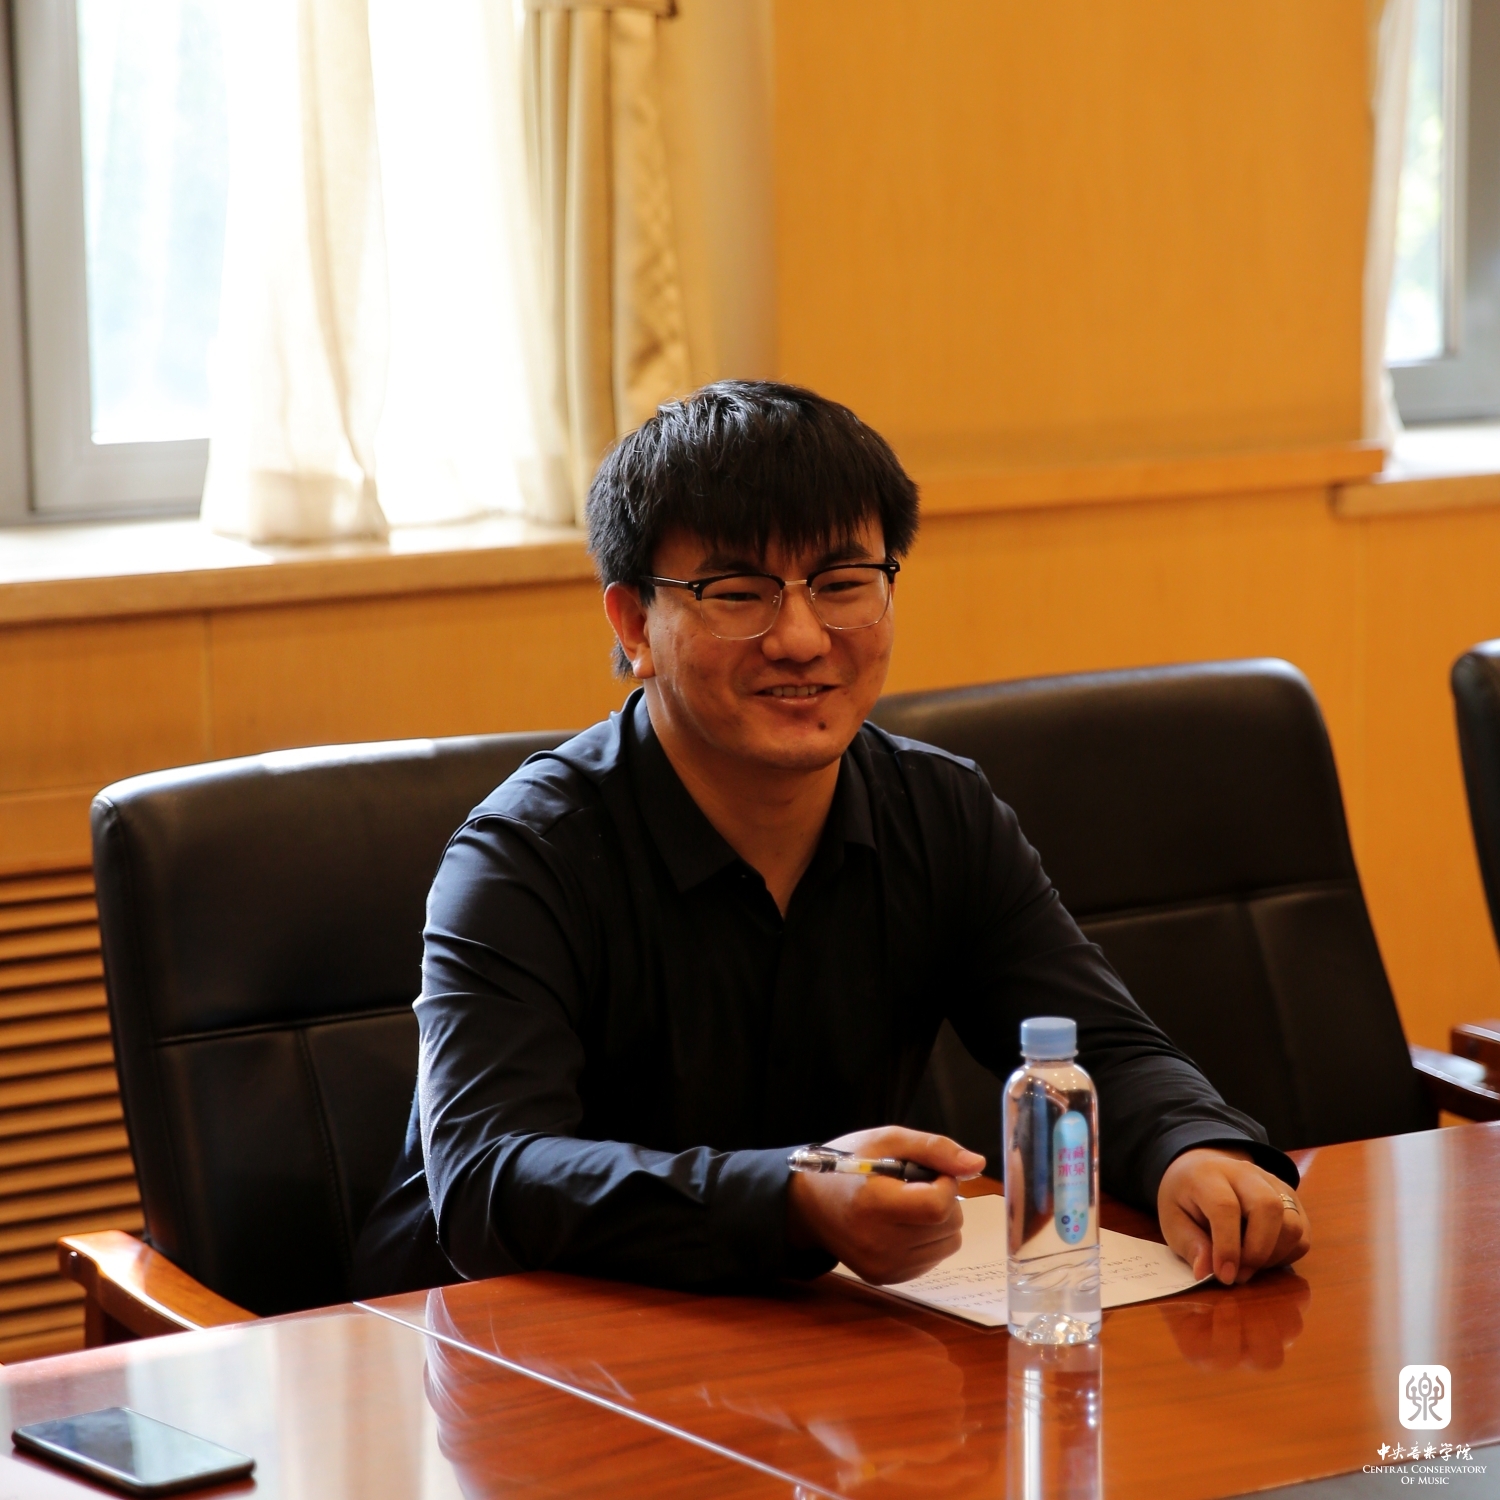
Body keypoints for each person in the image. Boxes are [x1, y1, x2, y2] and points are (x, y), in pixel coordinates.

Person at [354, 380, 1310, 1298]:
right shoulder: (524, 856)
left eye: (844, 583)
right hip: (489, 1347)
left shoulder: (939, 812)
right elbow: (488, 1180)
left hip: (796, 1336)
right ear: (634, 621)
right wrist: (792, 1197)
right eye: (739, 593)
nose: (804, 638)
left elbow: (1097, 1046)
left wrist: (1192, 1147)